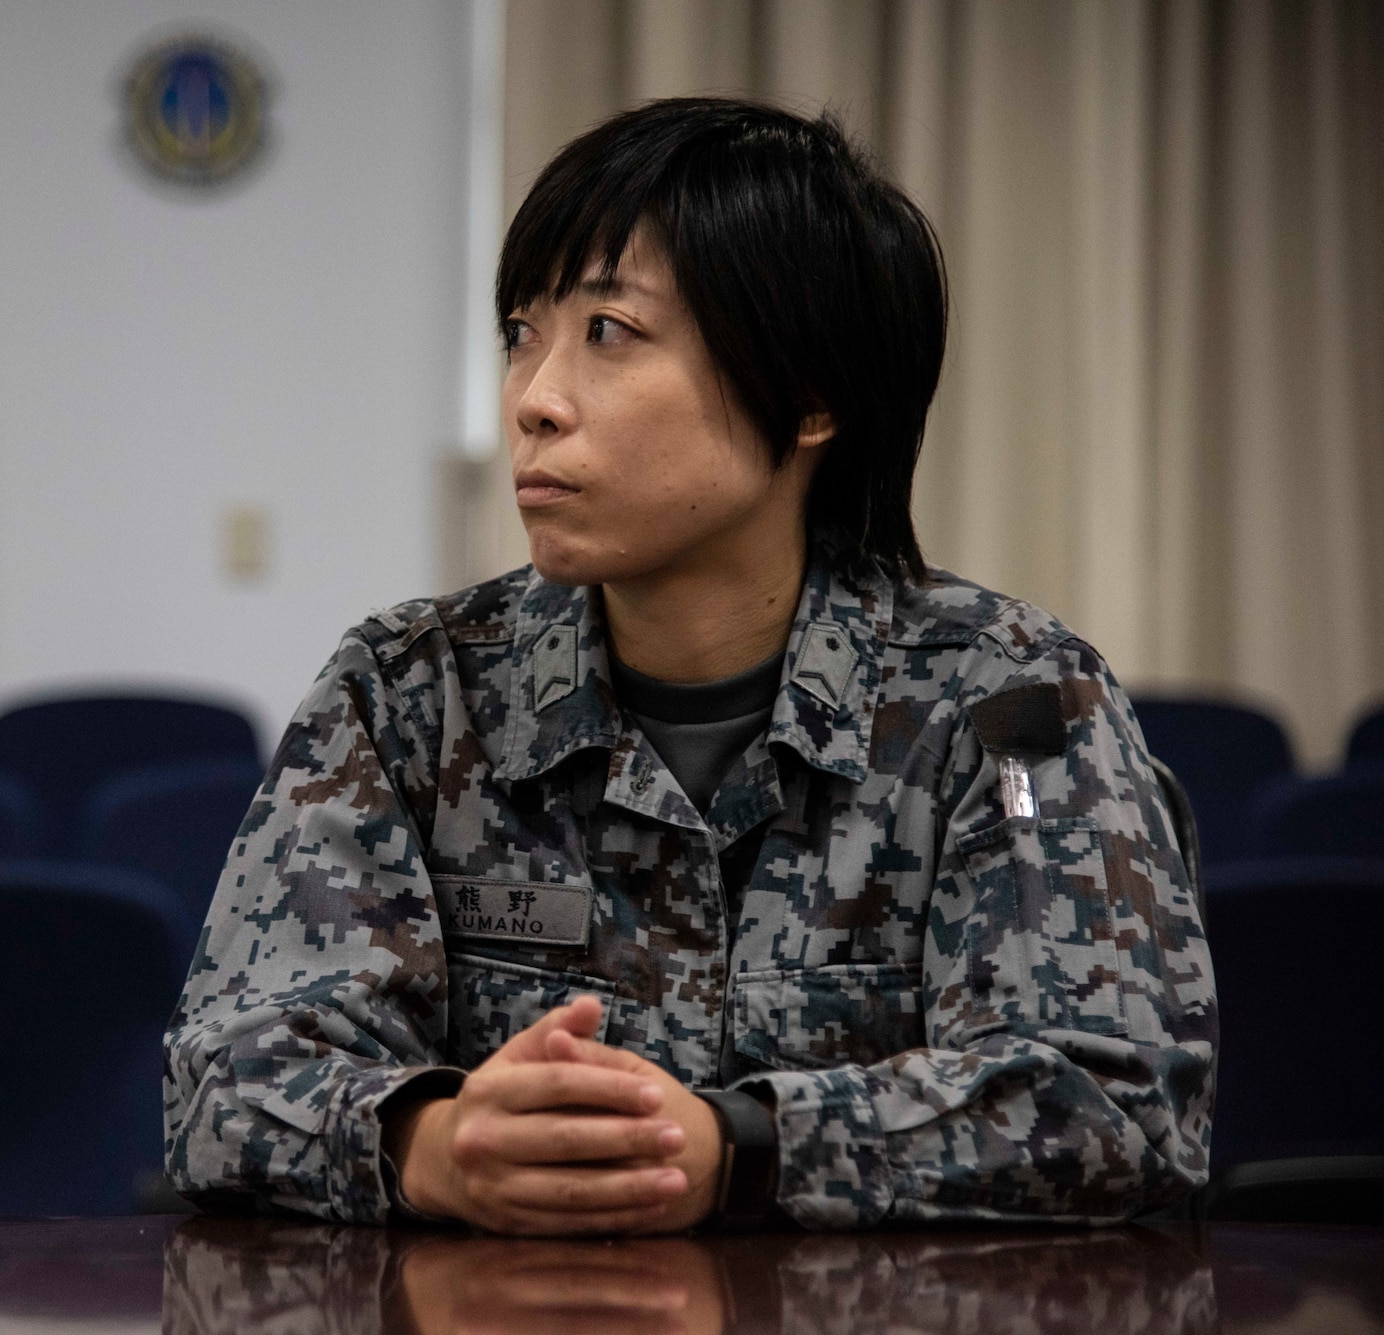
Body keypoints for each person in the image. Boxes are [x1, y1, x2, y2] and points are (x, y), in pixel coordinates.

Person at [163, 97, 1215, 1233]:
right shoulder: (412, 692)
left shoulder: (1007, 702)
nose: (531, 400)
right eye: (523, 333)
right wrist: (432, 1143)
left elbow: (1116, 1101)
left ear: (808, 395)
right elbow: (224, 1077)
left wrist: (736, 1149)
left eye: (608, 333)